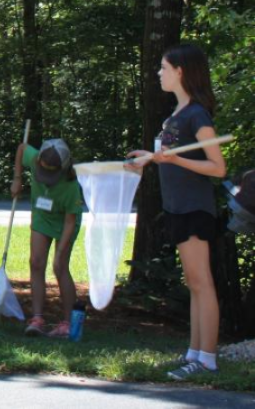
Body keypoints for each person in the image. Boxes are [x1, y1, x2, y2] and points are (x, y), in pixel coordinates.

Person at [127, 43, 227, 381]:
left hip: (194, 209)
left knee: (202, 283)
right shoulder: (176, 115)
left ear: (180, 72)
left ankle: (207, 359)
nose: (159, 73)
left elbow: (217, 167)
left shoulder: (197, 115)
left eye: (163, 68)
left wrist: (176, 159)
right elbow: (167, 157)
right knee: (194, 283)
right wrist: (148, 157)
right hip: (177, 207)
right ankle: (194, 353)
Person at [10, 138, 83, 338]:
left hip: (65, 222)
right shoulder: (35, 158)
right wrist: (17, 178)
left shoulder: (71, 185)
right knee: (35, 262)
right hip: (42, 216)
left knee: (60, 267)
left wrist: (59, 253)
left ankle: (68, 323)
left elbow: (70, 222)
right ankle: (37, 319)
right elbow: (21, 147)